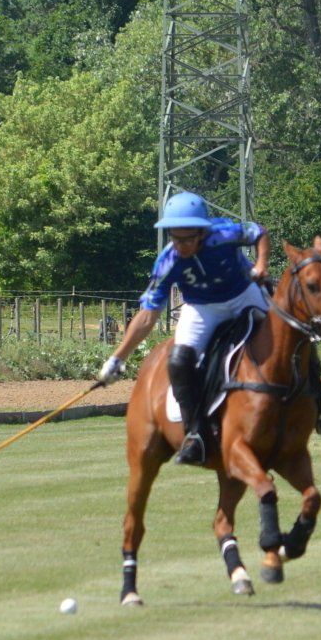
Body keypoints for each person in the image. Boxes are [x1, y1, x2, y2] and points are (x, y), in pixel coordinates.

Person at [98, 193, 273, 465]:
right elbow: (148, 315)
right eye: (175, 239)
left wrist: (261, 264)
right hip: (202, 308)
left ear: (202, 232)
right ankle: (195, 434)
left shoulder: (223, 233)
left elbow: (259, 232)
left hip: (243, 294)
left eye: (188, 239)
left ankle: (319, 406)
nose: (181, 246)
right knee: (178, 360)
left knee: (286, 333)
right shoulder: (168, 261)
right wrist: (117, 358)